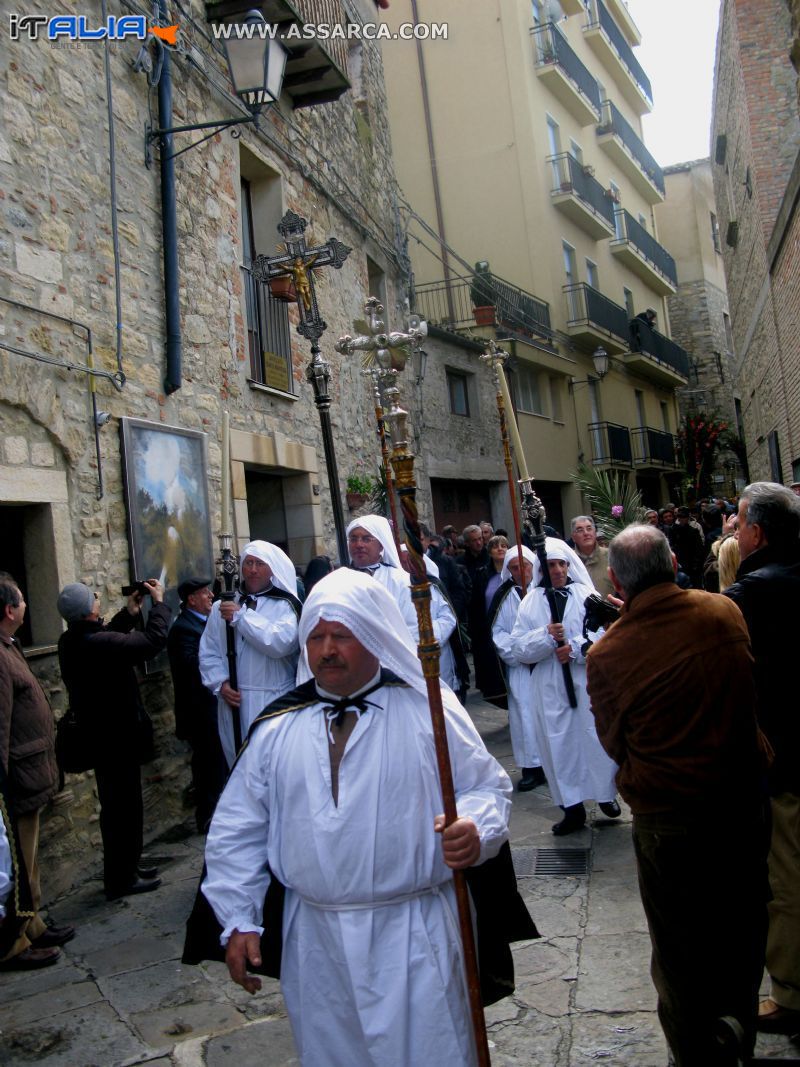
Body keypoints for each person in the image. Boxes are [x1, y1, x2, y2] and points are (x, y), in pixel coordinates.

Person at [198, 568, 531, 1067]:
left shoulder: (429, 711)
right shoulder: (277, 727)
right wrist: (238, 919)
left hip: (414, 936)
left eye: (341, 635)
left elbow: (484, 787)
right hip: (315, 942)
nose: (326, 649)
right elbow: (239, 827)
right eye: (316, 637)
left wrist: (474, 831)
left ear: (375, 636)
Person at [586, 524, 769, 1065]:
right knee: (742, 923)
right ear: (671, 561)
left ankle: (694, 1050)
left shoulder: (609, 654)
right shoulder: (721, 612)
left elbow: (614, 742)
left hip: (670, 817)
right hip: (741, 800)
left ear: (616, 578)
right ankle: (737, 1027)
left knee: (679, 947)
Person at [724, 482, 800, 1034]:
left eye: (740, 520)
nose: (734, 528)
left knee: (787, 878)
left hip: (786, 756)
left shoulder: (754, 591)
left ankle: (792, 994)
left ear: (758, 531)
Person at [57, 579, 169, 901]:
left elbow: (107, 639)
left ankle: (127, 868)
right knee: (123, 810)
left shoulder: (71, 641)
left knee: (120, 808)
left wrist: (130, 613)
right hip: (114, 739)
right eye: (92, 599)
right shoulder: (93, 643)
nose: (96, 600)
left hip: (103, 738)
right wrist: (159, 605)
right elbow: (150, 642)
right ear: (85, 611)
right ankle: (121, 879)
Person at [510, 539, 620, 835]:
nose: (557, 570)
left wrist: (575, 649)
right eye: (551, 565)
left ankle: (606, 793)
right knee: (558, 745)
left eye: (561, 564)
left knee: (594, 737)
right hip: (549, 687)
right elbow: (518, 647)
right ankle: (571, 807)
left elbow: (604, 636)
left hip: (584, 681)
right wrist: (546, 638)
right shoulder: (530, 602)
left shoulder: (587, 596)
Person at [0, 573, 72, 969]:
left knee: (30, 860)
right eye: (24, 601)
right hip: (16, 781)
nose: (28, 606)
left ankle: (34, 923)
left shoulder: (9, 646)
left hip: (30, 774)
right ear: (10, 610)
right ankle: (14, 941)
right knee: (18, 864)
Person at [200, 540, 301, 769]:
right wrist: (220, 683)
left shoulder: (285, 606)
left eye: (260, 564)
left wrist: (242, 618)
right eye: (249, 563)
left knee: (273, 767)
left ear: (272, 568)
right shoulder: (221, 607)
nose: (253, 570)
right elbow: (209, 651)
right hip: (234, 701)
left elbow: (280, 643)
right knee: (239, 767)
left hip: (272, 699)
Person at [168, 578, 227, 833]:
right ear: (191, 599)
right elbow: (192, 666)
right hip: (200, 712)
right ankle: (208, 817)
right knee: (208, 766)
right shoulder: (184, 629)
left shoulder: (206, 623)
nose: (211, 596)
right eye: (204, 593)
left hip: (213, 708)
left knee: (218, 763)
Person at [489, 546, 545, 791]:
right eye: (514, 567)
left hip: (545, 663)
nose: (520, 571)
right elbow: (497, 632)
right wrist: (517, 655)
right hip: (521, 667)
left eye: (525, 565)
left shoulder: (545, 591)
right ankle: (531, 767)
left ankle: (552, 763)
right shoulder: (504, 596)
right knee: (524, 715)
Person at [570, 515, 615, 598]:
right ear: (573, 537)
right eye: (580, 530)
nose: (586, 533)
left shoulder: (611, 556)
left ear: (595, 532)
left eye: (589, 528)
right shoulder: (568, 560)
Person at [666, 507, 705, 587]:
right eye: (680, 517)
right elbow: (671, 546)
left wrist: (696, 564)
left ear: (688, 518)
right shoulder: (672, 530)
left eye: (684, 517)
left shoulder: (694, 531)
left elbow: (699, 549)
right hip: (680, 563)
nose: (682, 519)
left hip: (692, 564)